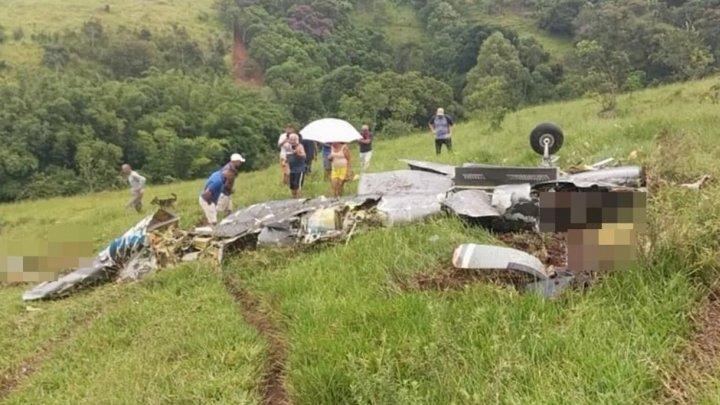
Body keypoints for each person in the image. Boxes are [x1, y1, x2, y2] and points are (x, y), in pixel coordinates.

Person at [218, 153, 245, 217]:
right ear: (235, 161)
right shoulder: (230, 170)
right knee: (221, 212)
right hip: (223, 193)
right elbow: (227, 184)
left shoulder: (228, 167)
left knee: (228, 211)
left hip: (226, 193)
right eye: (239, 161)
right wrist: (231, 189)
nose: (240, 163)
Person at [284, 134, 307, 198]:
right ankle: (293, 198)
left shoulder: (300, 146)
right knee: (292, 186)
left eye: (294, 140)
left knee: (298, 186)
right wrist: (285, 161)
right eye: (291, 139)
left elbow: (304, 156)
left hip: (300, 169)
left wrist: (298, 153)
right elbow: (287, 156)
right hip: (292, 170)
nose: (292, 141)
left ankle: (299, 198)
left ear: (297, 140)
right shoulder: (288, 147)